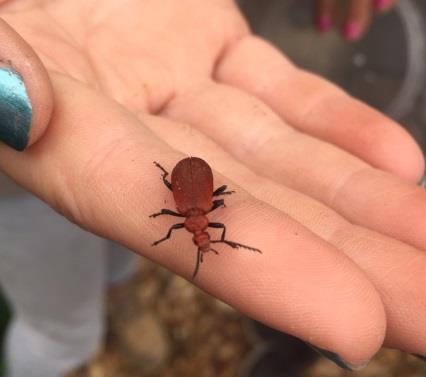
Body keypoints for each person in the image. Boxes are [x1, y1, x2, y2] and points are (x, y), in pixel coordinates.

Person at [0, 0, 424, 376]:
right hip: (15, 191)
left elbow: (177, 211)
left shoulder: (191, 213)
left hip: (174, 171)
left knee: (112, 236)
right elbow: (175, 215)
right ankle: (63, 353)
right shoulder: (190, 214)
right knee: (60, 323)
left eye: (199, 236)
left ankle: (119, 291)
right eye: (203, 235)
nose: (202, 237)